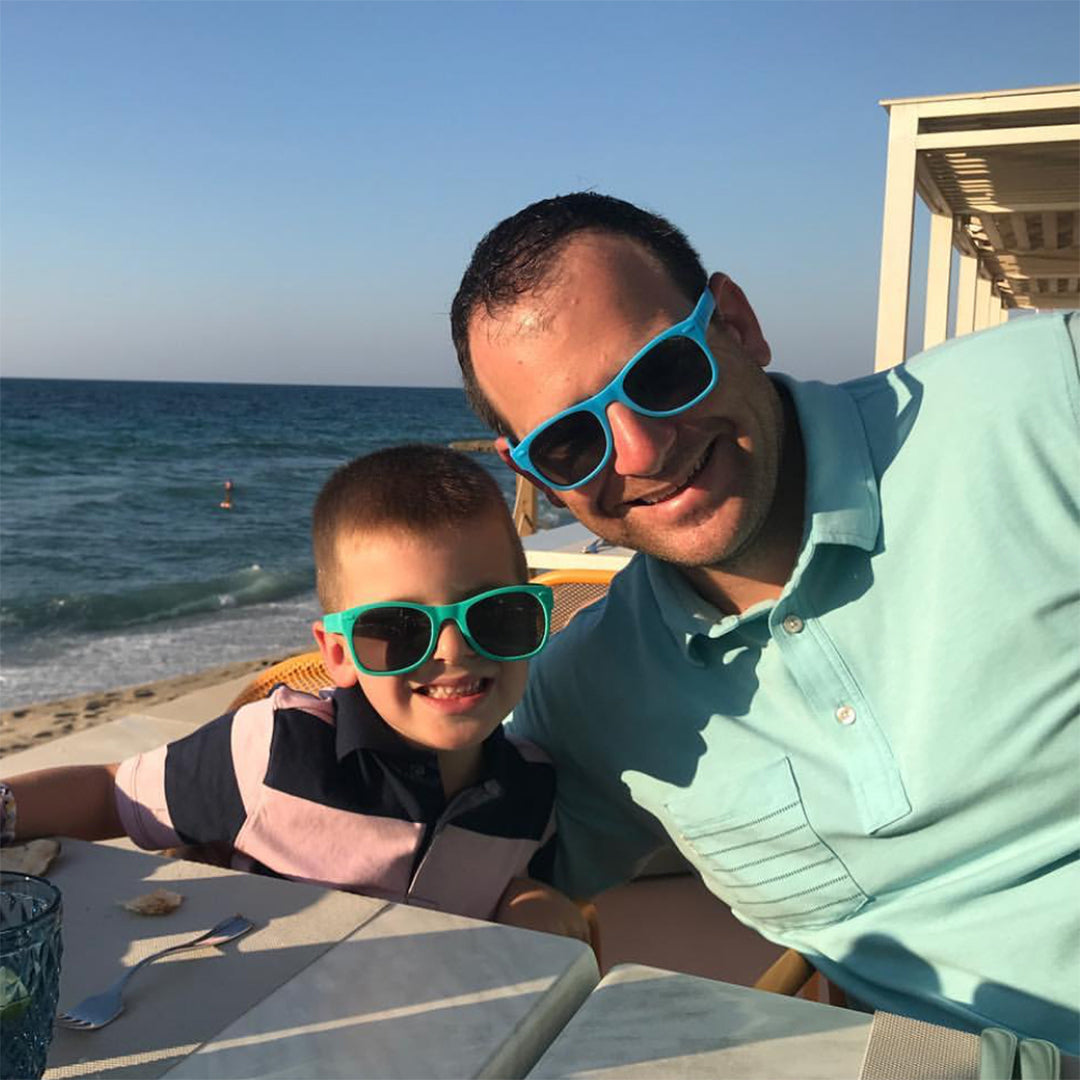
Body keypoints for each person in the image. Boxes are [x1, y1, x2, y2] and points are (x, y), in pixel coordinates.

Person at [449, 192, 1079, 1048]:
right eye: (570, 443)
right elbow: (448, 854)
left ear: (737, 325)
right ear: (532, 473)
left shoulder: (1044, 402)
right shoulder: (594, 692)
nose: (640, 451)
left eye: (661, 373)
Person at [0, 445, 587, 938]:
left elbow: (519, 885)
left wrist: (529, 901)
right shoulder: (272, 750)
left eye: (495, 613)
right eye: (397, 628)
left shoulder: (533, 789)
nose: (454, 650)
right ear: (339, 654)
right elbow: (112, 794)